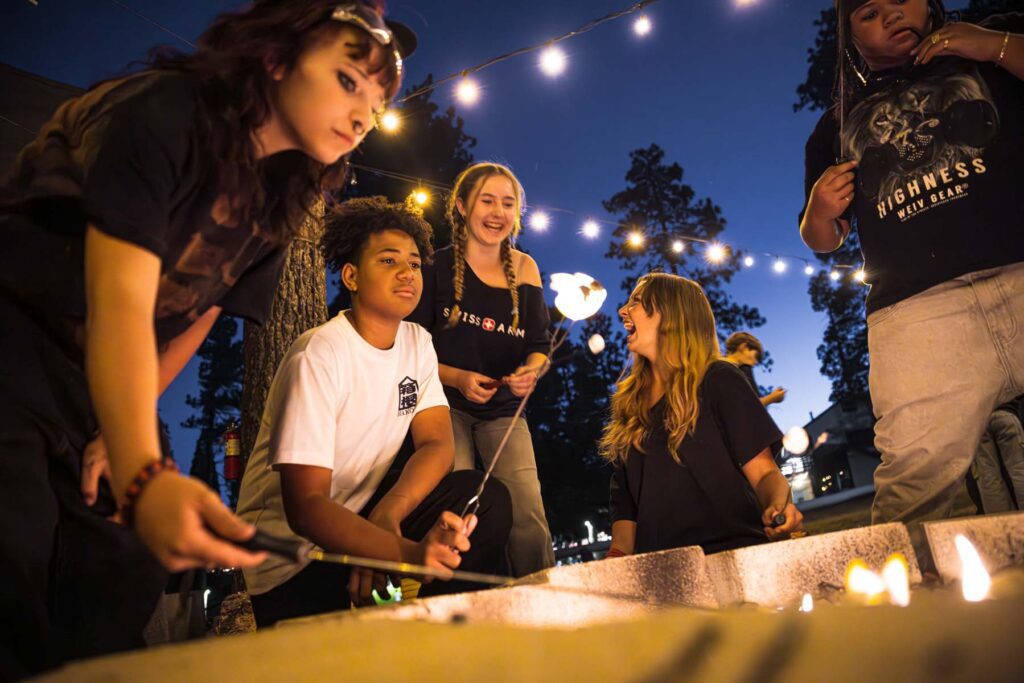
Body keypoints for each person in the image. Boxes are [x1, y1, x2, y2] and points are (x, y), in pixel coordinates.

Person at [0, 2, 413, 676]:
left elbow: (202, 308)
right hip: (17, 330)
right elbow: (121, 301)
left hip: (99, 367)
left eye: (378, 96)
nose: (366, 112)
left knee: (122, 566)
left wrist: (124, 430)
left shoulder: (280, 198)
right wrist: (143, 472)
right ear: (276, 57)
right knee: (13, 552)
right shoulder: (162, 114)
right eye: (348, 80)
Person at [798, 0, 1024, 545]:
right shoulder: (832, 126)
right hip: (916, 313)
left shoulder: (990, 57)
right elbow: (822, 241)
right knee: (913, 485)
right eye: (870, 12)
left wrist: (991, 45)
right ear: (850, 37)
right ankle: (903, 615)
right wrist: (819, 212)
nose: (892, 15)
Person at [235, 197, 511, 628]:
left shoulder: (417, 342)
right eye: (388, 260)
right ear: (352, 276)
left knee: (483, 499)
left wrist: (388, 515)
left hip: (364, 515)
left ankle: (440, 643)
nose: (408, 272)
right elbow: (306, 506)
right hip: (290, 554)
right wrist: (398, 552)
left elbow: (437, 443)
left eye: (415, 263)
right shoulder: (319, 354)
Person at [408, 162, 554, 577]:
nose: (497, 212)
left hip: (505, 411)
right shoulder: (434, 267)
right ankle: (471, 608)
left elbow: (539, 346)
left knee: (527, 512)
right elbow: (412, 350)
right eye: (486, 200)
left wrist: (531, 371)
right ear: (461, 206)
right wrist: (456, 378)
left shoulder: (525, 268)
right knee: (462, 511)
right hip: (443, 406)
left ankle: (545, 601)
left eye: (507, 203)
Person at [600, 274, 803, 559]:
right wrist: (618, 555)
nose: (623, 310)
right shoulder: (628, 405)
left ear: (671, 312)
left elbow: (765, 474)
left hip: (732, 556)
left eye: (636, 301)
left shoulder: (719, 380)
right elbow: (625, 505)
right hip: (658, 572)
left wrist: (778, 508)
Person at [973, 396, 1024, 513]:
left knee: (988, 477)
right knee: (1019, 471)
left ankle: (1002, 526)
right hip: (1005, 414)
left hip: (978, 423)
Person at [723, 331, 787, 408]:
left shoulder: (730, 369)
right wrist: (772, 398)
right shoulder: (726, 371)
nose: (756, 362)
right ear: (743, 347)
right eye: (755, 356)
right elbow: (744, 407)